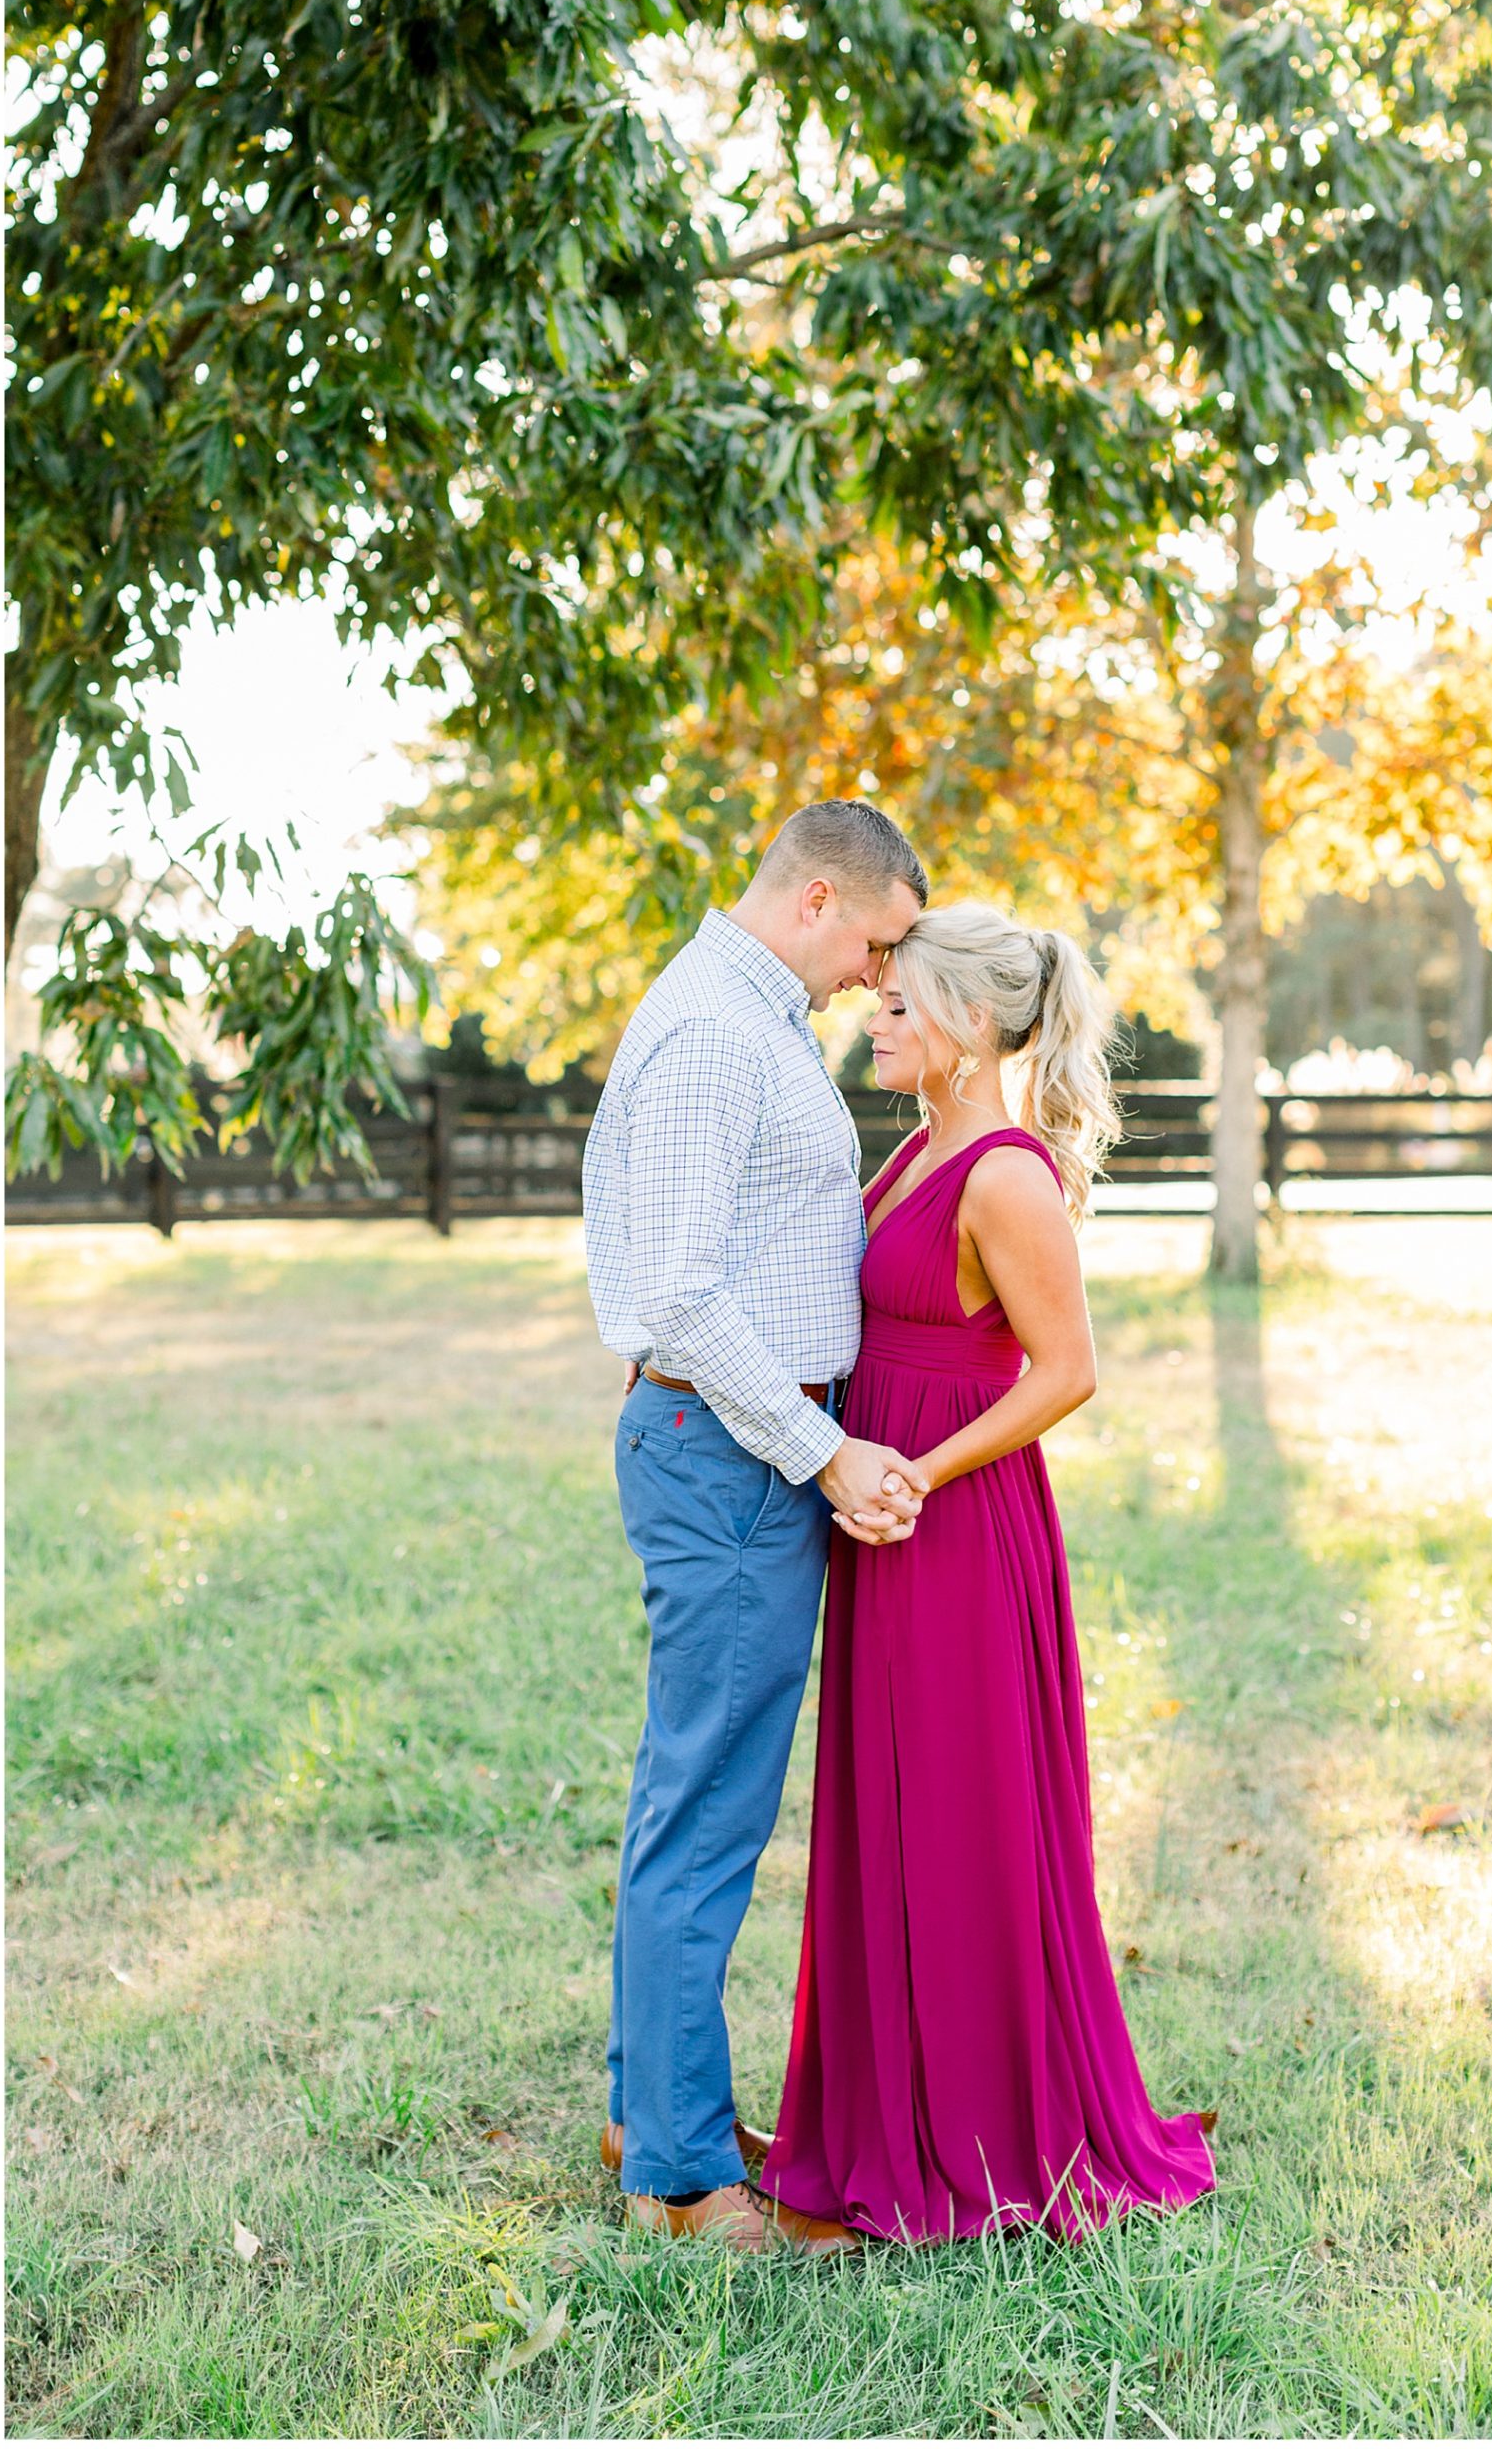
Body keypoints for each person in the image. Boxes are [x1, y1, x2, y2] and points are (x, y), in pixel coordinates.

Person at [759, 901, 1219, 2242]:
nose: (873, 1017)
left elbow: (1066, 1373)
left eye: (896, 1005)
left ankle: (981, 2130)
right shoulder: (910, 1152)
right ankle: (876, 2110)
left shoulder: (1006, 1176)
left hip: (954, 1528)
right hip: (884, 1513)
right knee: (884, 1813)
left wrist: (921, 1474)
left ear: (962, 1023)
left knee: (961, 1819)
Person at [582, 799, 932, 2255]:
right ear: (817, 897)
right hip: (734, 1458)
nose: (877, 972)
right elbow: (671, 1294)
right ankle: (674, 2174)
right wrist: (822, 1446)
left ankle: (649, 2104)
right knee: (709, 1812)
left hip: (743, 1452)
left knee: (701, 1798)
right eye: (878, 940)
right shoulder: (719, 1034)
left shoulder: (753, 1014)